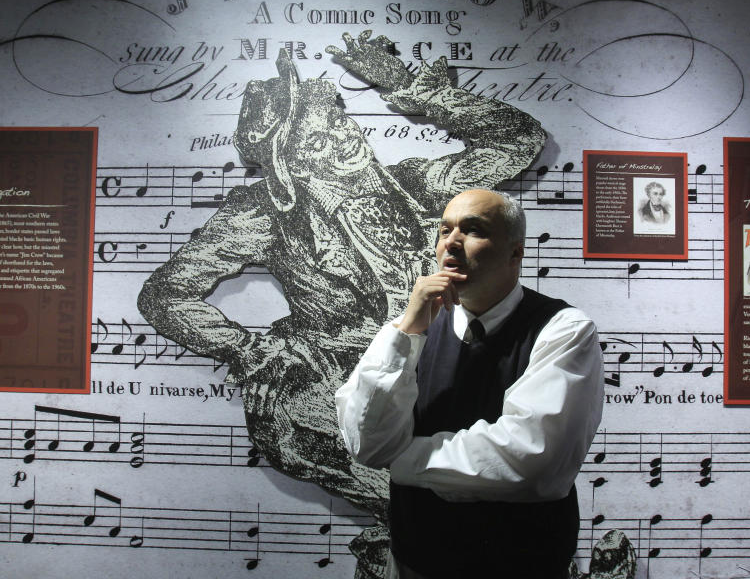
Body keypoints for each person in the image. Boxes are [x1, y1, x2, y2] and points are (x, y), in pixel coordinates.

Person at [137, 31, 547, 579]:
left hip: (442, 380)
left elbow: (517, 140)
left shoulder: (419, 187)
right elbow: (165, 294)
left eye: (337, 119)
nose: (343, 137)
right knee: (438, 502)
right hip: (332, 392)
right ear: (291, 167)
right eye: (317, 141)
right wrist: (249, 348)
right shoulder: (265, 215)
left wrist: (404, 85)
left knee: (481, 494)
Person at [336, 189, 605, 579]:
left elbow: (531, 459)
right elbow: (367, 441)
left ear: (516, 252)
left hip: (524, 567)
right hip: (416, 561)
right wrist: (406, 331)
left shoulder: (563, 329)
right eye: (444, 230)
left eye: (473, 229)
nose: (452, 242)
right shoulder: (410, 331)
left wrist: (403, 459)